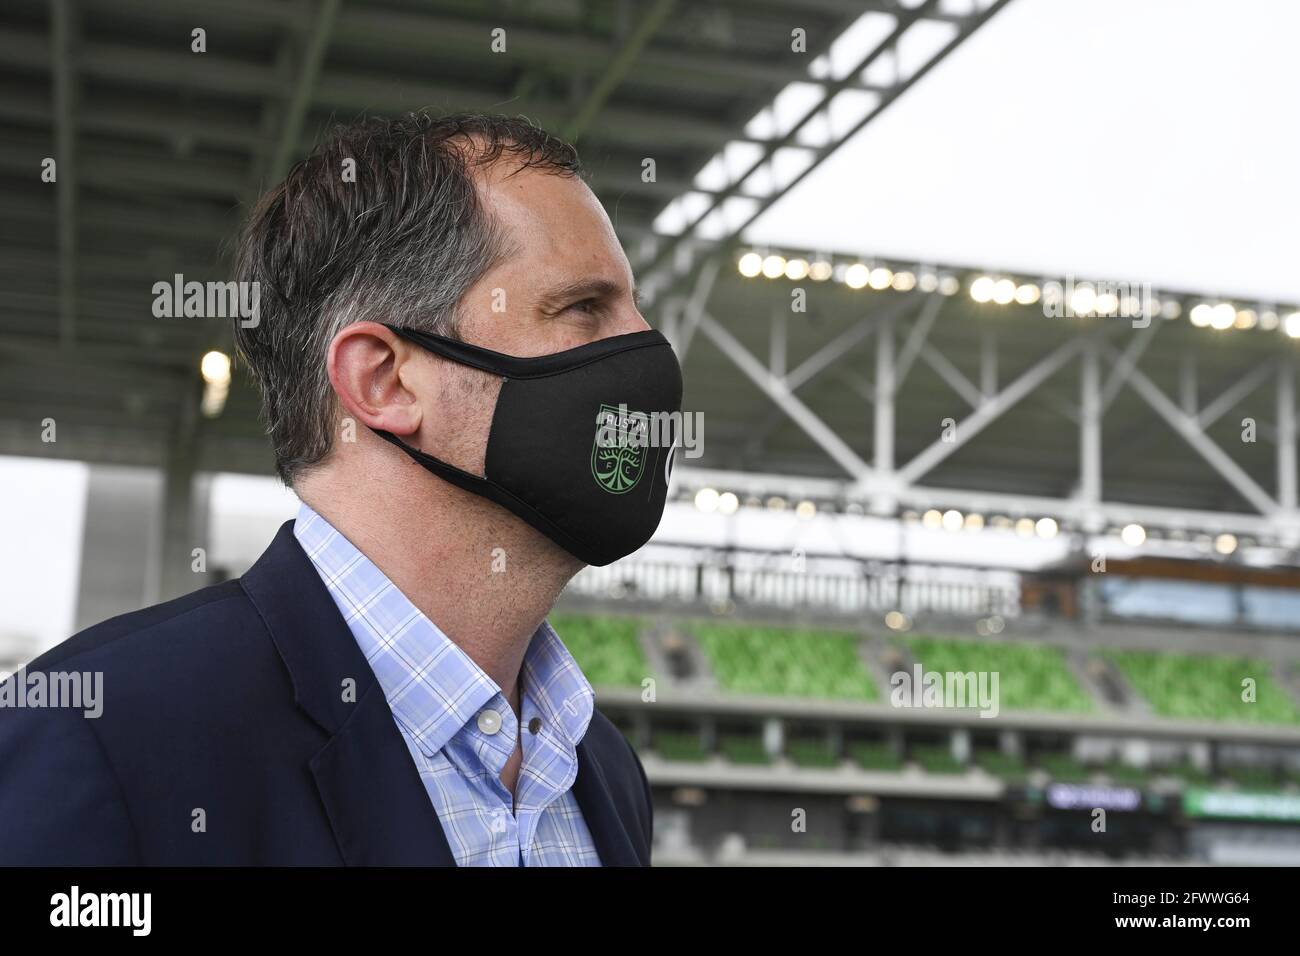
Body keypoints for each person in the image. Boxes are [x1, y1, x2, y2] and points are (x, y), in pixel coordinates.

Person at [0, 113, 683, 866]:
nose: (647, 349)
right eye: (584, 308)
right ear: (383, 380)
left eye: (634, 306)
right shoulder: (104, 738)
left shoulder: (604, 771)